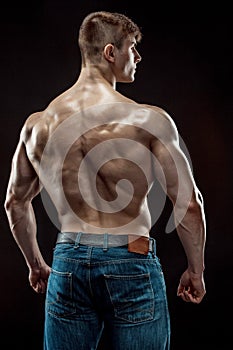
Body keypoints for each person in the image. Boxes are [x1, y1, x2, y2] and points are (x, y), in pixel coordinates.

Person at [4, 11, 206, 350]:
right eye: (132, 48)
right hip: (131, 258)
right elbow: (188, 203)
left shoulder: (37, 125)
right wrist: (196, 271)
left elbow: (14, 202)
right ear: (111, 52)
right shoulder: (147, 120)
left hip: (67, 262)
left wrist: (36, 264)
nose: (138, 57)